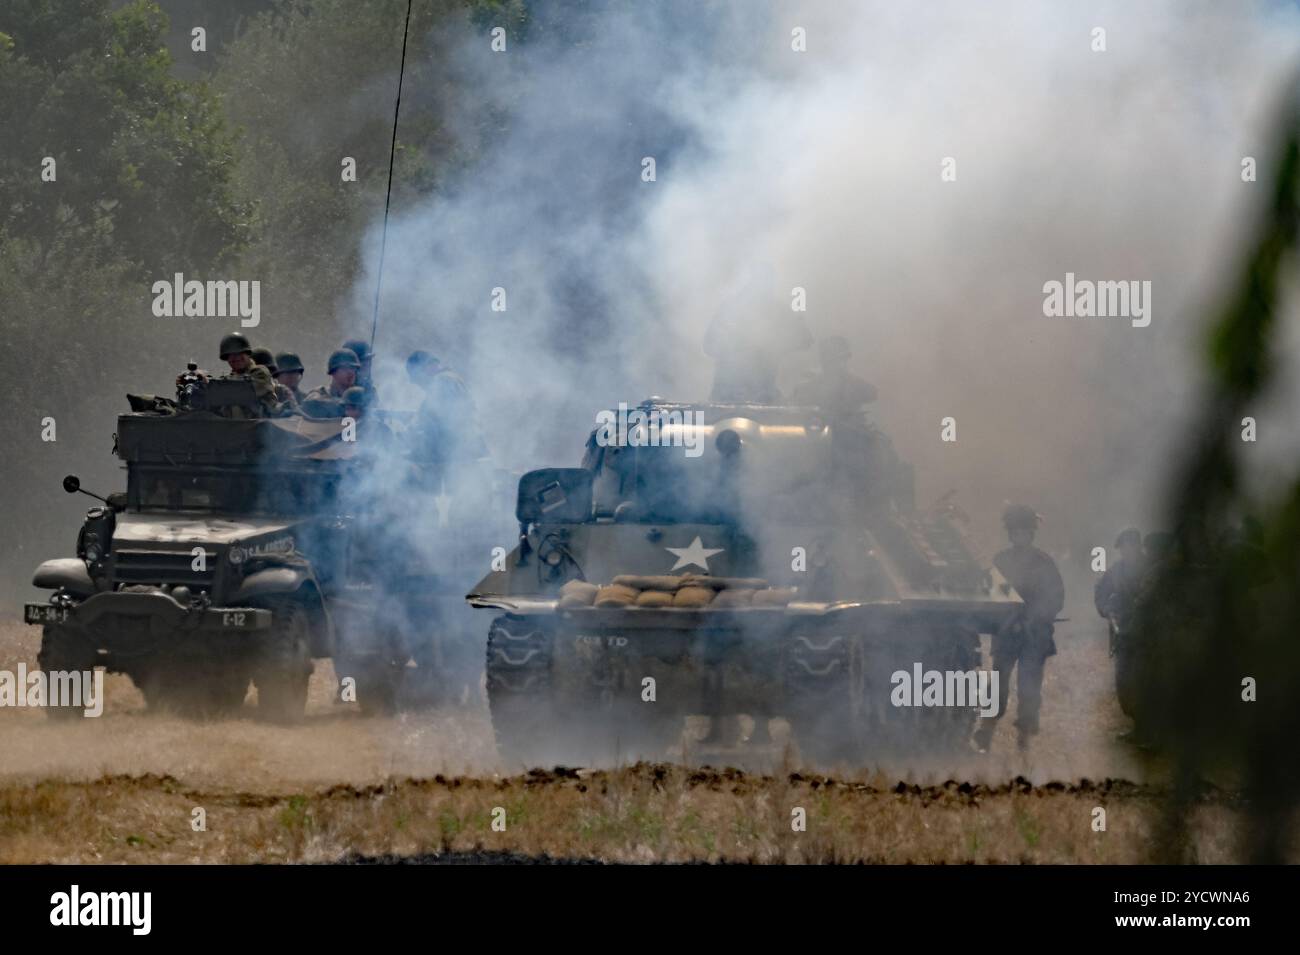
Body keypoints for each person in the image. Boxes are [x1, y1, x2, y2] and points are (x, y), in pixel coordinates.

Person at [974, 504, 1066, 754]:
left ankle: (1024, 739)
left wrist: (1035, 618)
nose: (1020, 536)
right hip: (1006, 631)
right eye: (1015, 531)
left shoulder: (1043, 562)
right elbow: (990, 594)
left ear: (1031, 534)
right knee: (998, 683)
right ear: (1010, 534)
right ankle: (986, 730)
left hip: (1035, 634)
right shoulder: (1000, 561)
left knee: (1029, 688)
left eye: (1024, 531)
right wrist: (1006, 619)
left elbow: (1056, 598)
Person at [404, 350, 488, 487]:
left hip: (456, 458)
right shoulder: (448, 380)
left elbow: (441, 424)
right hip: (460, 455)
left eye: (417, 378)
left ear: (427, 367)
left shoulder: (443, 381)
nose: (419, 384)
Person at [791, 336, 878, 420]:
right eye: (829, 357)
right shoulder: (805, 388)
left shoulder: (858, 386)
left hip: (850, 431)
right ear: (823, 358)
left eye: (843, 358)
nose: (838, 363)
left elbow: (872, 394)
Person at [213, 332, 279, 418]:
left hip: (259, 427)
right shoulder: (228, 379)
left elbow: (245, 391)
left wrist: (217, 388)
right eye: (230, 355)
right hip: (234, 428)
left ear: (247, 354)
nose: (235, 358)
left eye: (239, 353)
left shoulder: (260, 373)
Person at [301, 348, 360, 417]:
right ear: (333, 371)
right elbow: (309, 403)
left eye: (353, 368)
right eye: (345, 368)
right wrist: (344, 405)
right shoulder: (320, 393)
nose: (350, 372)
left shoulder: (359, 395)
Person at [342, 338, 379, 406]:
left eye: (369, 361)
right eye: (363, 362)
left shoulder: (369, 392)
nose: (368, 366)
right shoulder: (325, 394)